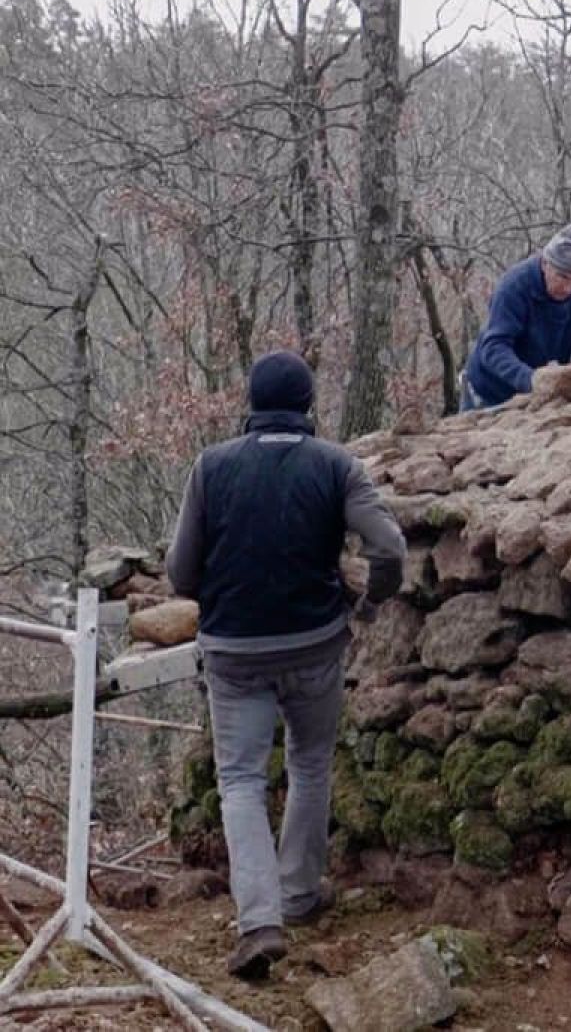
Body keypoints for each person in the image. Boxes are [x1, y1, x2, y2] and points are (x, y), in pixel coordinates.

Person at [166, 352, 404, 980]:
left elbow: (180, 573)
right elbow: (389, 546)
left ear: (251, 401)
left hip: (235, 651)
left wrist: (223, 600)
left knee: (240, 779)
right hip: (315, 642)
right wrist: (369, 603)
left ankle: (260, 921)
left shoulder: (211, 468)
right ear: (307, 406)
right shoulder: (335, 465)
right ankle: (299, 892)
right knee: (309, 761)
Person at [462, 220, 571, 410]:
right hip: (490, 394)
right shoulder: (514, 286)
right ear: (545, 264)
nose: (569, 288)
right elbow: (495, 347)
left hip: (538, 395)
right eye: (562, 277)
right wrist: (533, 380)